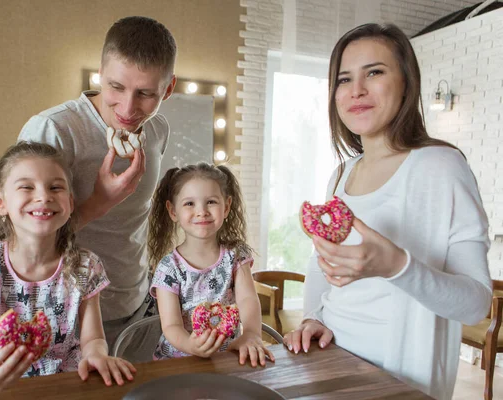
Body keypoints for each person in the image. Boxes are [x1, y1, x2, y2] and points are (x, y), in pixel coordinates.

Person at [282, 23, 492, 400]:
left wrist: (397, 266)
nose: (356, 90)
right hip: (333, 361)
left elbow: (476, 305)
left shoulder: (441, 167)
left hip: (400, 384)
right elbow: (321, 263)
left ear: (407, 83)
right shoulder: (341, 174)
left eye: (374, 72)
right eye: (344, 79)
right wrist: (314, 316)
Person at [17, 16, 177, 361]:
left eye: (146, 93)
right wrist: (99, 203)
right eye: (116, 87)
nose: (129, 108)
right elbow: (20, 242)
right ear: (100, 75)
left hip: (137, 309)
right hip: (65, 319)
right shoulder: (54, 129)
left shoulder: (158, 130)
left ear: (169, 88)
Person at [0, 142, 135, 393]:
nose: (43, 196)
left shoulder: (86, 266)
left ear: (69, 203)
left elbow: (93, 338)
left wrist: (96, 355)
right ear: (0, 201)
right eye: (27, 186)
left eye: (55, 187)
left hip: (64, 388)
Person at [147, 163, 275, 366]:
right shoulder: (168, 268)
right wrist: (191, 345)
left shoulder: (236, 255)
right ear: (173, 211)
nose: (202, 211)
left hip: (227, 359)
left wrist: (251, 333)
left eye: (211, 202)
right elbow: (171, 325)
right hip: (178, 362)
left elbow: (248, 299)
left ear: (227, 207)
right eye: (189, 203)